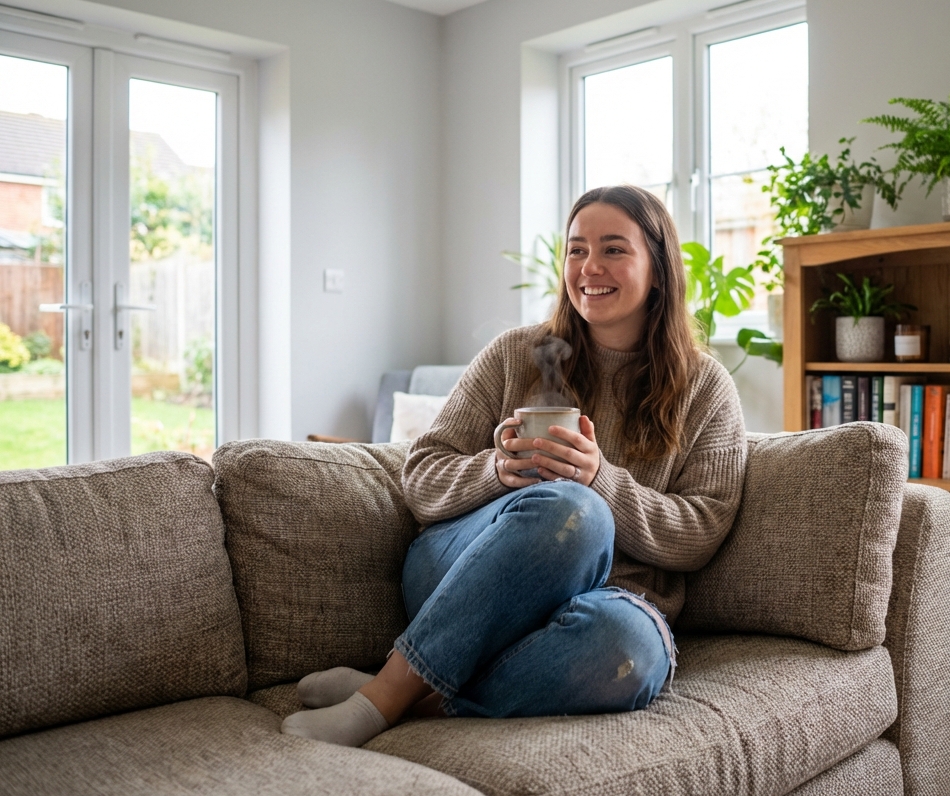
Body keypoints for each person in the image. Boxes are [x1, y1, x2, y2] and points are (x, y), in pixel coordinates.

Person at [282, 185, 748, 747]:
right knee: (576, 512)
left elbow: (702, 530)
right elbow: (421, 474)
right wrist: (497, 472)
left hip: (599, 606)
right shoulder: (514, 354)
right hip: (462, 571)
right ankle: (381, 701)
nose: (589, 267)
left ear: (659, 267)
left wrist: (600, 480)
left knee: (632, 649)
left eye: (614, 249)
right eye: (576, 250)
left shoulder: (704, 388)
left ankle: (414, 691)